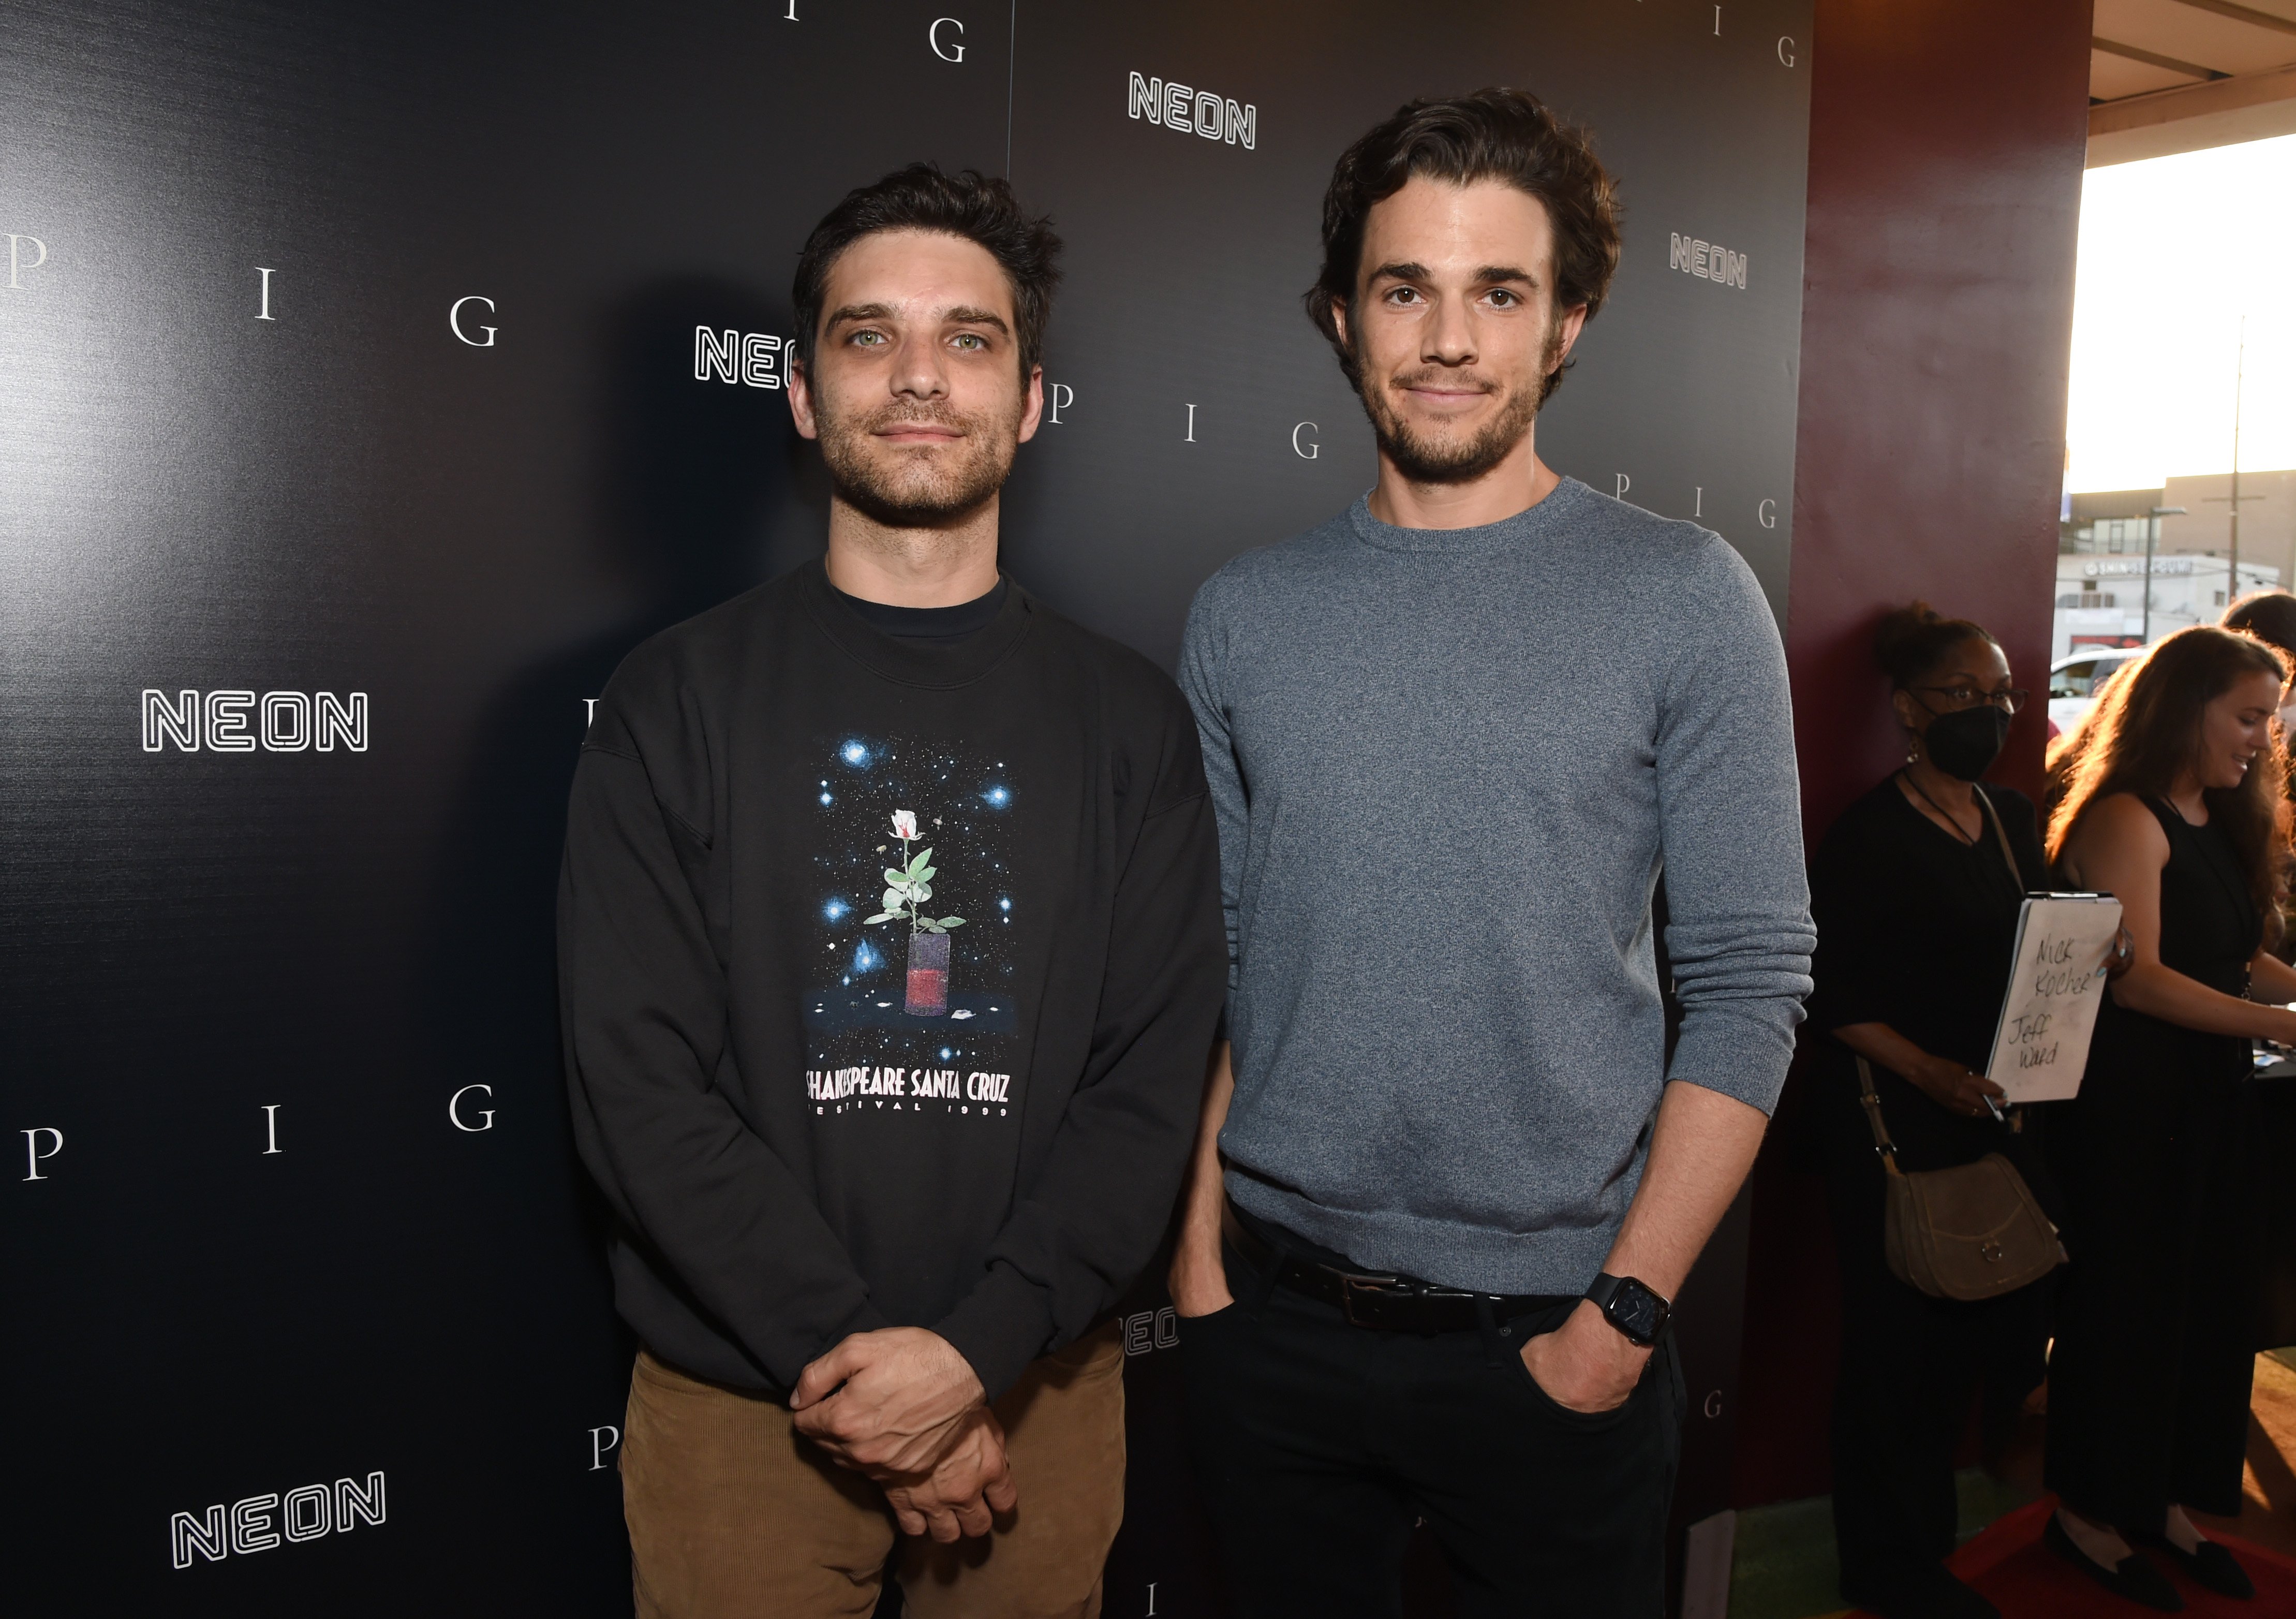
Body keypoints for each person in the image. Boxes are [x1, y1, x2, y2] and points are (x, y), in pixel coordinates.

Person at [1169, 89, 1816, 1618]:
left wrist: (1618, 1317)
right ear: (1341, 315)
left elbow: (1746, 983)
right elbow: (1232, 964)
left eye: (1497, 292)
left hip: (1551, 1339)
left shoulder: (1682, 597)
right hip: (1272, 1326)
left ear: (1567, 322)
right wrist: (1196, 1267)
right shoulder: (1241, 613)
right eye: (1404, 290)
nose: (1447, 338)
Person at [557, 164, 1227, 1619]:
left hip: (1035, 1396)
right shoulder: (673, 700)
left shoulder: (1130, 723)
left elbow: (1147, 1086)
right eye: (868, 336)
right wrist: (874, 1375)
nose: (918, 377)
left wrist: (973, 1356)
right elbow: (636, 1087)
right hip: (745, 1402)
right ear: (801, 393)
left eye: (967, 339)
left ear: (1031, 396)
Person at [1805, 605, 2059, 1619]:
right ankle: (1883, 1569)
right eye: (1966, 696)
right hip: (1891, 1130)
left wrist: (2100, 951)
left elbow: (2043, 944)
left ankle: (1927, 1553)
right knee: (1891, 1361)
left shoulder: (2007, 818)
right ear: (1908, 708)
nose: (1990, 713)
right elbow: (1827, 996)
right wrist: (1927, 1072)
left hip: (1988, 1124)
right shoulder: (1867, 834)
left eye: (1999, 696)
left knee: (1968, 1347)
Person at [2045, 624, 2292, 1609]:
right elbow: (2137, 982)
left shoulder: (2217, 818)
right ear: (2183, 708)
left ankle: (2164, 1502)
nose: (2259, 742)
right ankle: (2089, 1514)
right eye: (2245, 718)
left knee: (2204, 1312)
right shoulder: (2124, 818)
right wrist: (2281, 1020)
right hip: (2132, 1117)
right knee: (2128, 1315)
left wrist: (2286, 996)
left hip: (2215, 1109)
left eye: (2267, 722)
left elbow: (2236, 953)